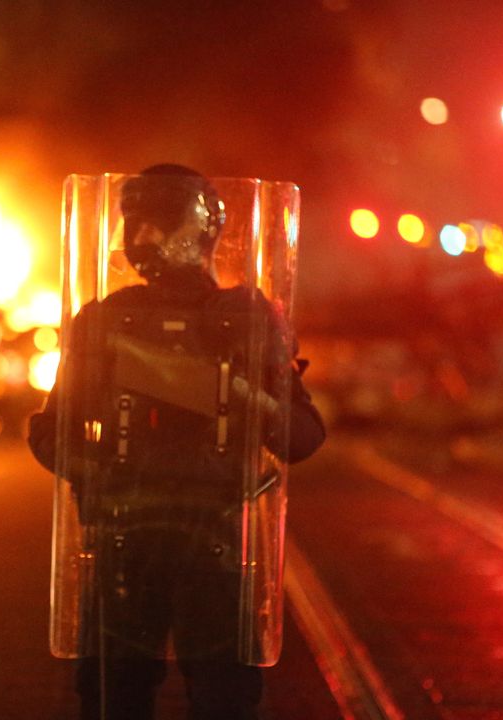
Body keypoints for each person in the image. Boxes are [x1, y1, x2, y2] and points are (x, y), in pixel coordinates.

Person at [28, 165, 325, 719]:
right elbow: (50, 431)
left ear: (198, 230)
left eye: (156, 224)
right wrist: (104, 474)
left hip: (207, 545)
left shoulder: (247, 318)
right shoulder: (107, 321)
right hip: (126, 546)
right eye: (133, 224)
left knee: (220, 701)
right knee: (117, 698)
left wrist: (249, 399)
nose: (140, 240)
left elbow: (303, 437)